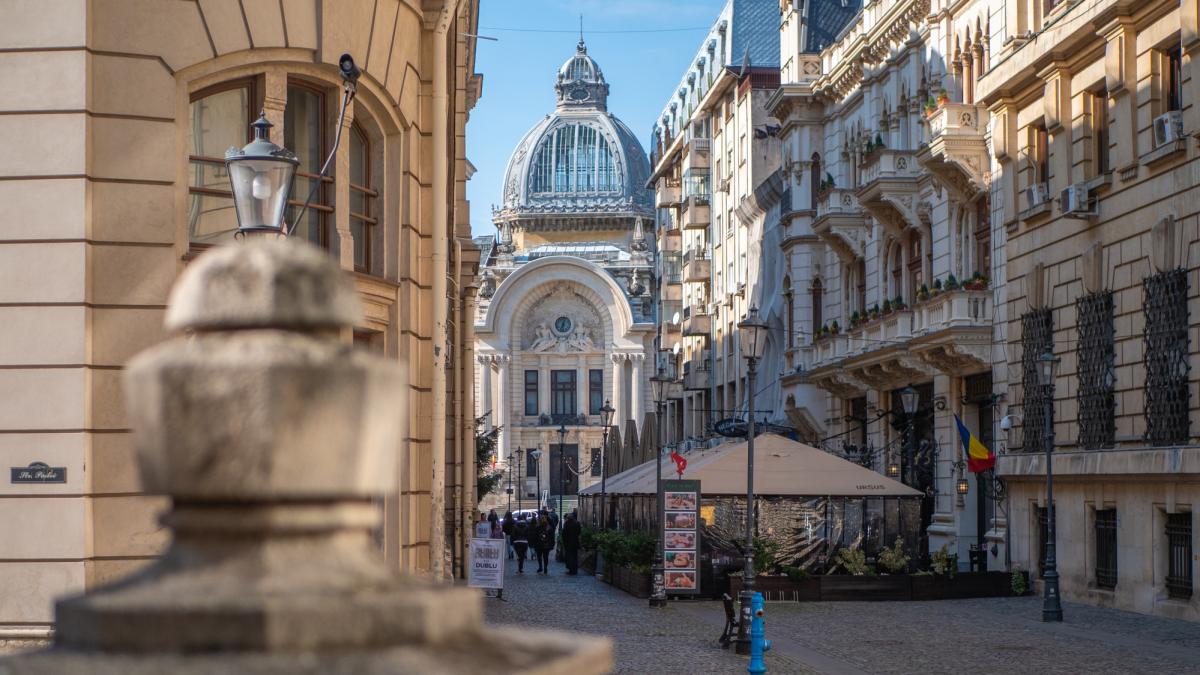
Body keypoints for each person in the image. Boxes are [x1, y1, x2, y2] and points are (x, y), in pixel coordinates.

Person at [561, 510, 581, 575]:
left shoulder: (566, 524)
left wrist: (564, 542)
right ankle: (575, 569)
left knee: (569, 557)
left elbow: (564, 534)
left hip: (568, 543)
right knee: (575, 556)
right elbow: (579, 532)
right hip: (575, 542)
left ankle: (571, 570)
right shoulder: (577, 523)